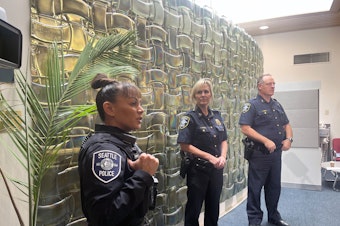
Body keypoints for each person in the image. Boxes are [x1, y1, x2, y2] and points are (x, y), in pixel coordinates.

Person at [78, 73, 159, 226]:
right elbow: (104, 216)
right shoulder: (104, 150)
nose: (141, 110)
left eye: (140, 103)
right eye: (133, 103)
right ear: (109, 108)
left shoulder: (121, 141)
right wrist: (143, 175)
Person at [239, 74, 293, 226]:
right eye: (269, 83)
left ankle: (274, 216)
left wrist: (288, 139)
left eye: (274, 83)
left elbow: (287, 125)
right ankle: (254, 220)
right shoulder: (252, 105)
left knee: (274, 187)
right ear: (260, 86)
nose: (273, 86)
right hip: (259, 154)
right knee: (255, 189)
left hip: (276, 154)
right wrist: (265, 140)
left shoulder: (277, 105)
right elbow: (245, 128)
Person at [177, 78, 228, 226]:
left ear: (211, 94)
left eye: (206, 91)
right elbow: (184, 145)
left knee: (213, 207)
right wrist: (210, 157)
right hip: (198, 170)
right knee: (194, 208)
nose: (203, 95)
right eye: (199, 92)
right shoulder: (189, 118)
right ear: (194, 96)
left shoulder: (217, 116)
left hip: (216, 169)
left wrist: (223, 157)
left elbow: (223, 139)